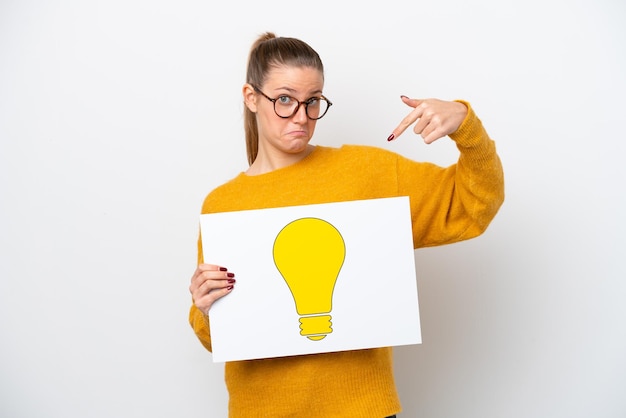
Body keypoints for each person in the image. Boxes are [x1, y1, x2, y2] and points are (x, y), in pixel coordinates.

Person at [188, 32, 504, 418]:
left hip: (362, 409)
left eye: (313, 101)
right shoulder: (223, 205)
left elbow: (474, 204)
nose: (302, 117)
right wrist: (204, 309)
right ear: (251, 97)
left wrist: (465, 126)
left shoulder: (366, 174)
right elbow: (219, 336)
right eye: (284, 99)